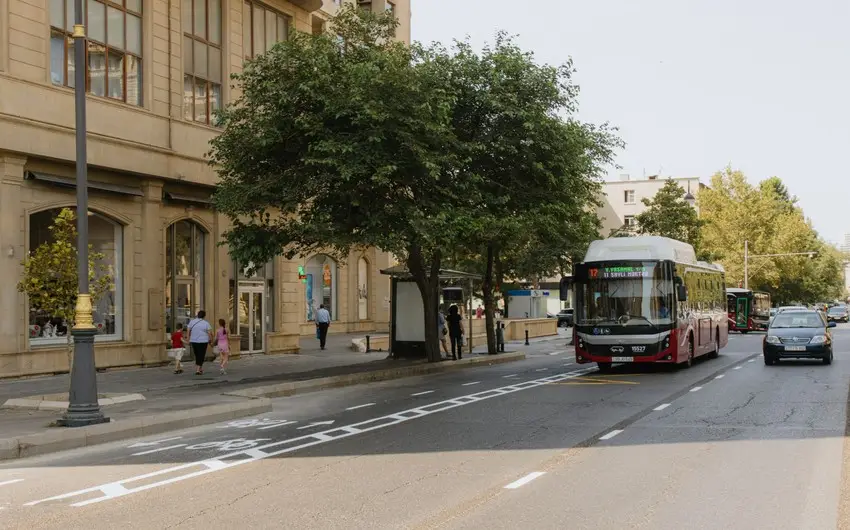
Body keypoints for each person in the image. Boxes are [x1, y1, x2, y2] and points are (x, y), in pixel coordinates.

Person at [187, 310, 213, 376]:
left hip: (194, 340)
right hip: (203, 341)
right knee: (201, 355)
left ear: (197, 315)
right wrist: (211, 340)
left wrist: (188, 339)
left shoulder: (192, 322)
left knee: (197, 354)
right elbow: (210, 333)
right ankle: (199, 369)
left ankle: (199, 369)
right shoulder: (206, 323)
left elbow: (188, 330)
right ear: (204, 316)